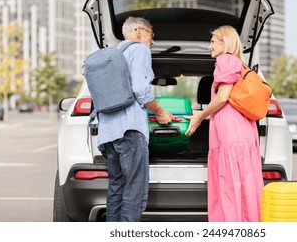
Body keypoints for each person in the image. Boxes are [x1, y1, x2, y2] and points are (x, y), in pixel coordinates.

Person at [97, 16, 176, 222]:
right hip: (130, 131)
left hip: (109, 133)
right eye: (152, 34)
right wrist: (159, 112)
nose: (153, 41)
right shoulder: (139, 50)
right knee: (134, 191)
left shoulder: (113, 55)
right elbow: (141, 90)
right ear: (140, 31)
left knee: (117, 189)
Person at [185, 25, 263, 222]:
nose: (209, 46)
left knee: (230, 189)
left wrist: (200, 116)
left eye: (212, 41)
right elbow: (225, 106)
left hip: (231, 138)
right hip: (239, 135)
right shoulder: (238, 63)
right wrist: (197, 115)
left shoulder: (225, 60)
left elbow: (222, 99)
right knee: (244, 190)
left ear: (225, 42)